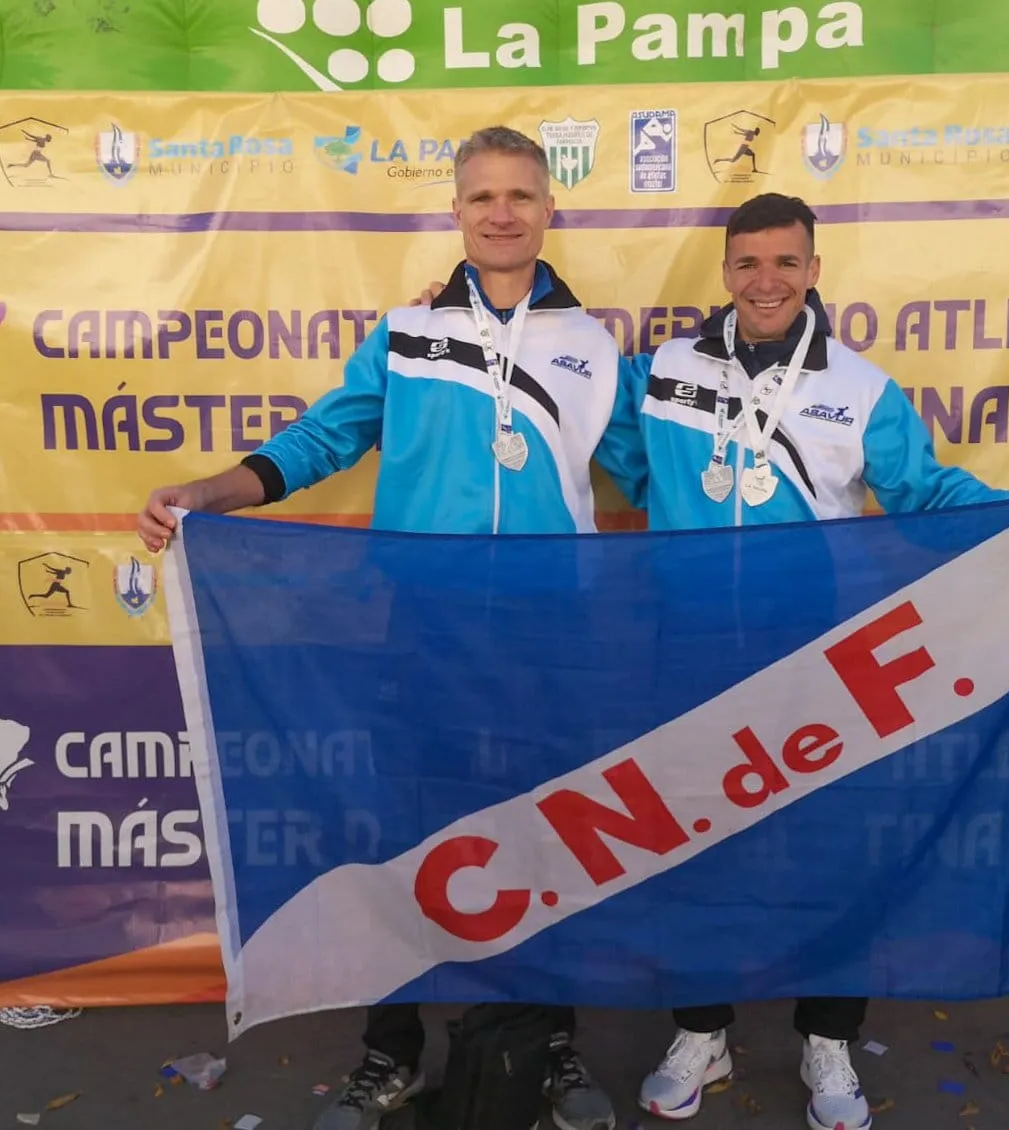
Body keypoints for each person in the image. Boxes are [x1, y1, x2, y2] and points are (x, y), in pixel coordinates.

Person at [413, 191, 1009, 1130]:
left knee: (831, 854)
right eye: (749, 262)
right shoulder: (663, 370)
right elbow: (580, 417)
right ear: (726, 271)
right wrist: (459, 321)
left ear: (814, 270)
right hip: (686, 658)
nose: (766, 281)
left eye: (785, 262)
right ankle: (702, 1031)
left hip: (820, 664)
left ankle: (829, 1040)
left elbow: (929, 493)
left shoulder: (860, 389)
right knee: (690, 850)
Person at [137, 126, 640, 1130]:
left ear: (550, 208)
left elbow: (655, 470)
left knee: (547, 841)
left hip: (548, 633)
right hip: (422, 629)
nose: (502, 213)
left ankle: (544, 1045)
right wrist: (207, 492)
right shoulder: (406, 337)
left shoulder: (596, 346)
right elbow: (324, 438)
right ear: (456, 211)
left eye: (520, 195)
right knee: (403, 840)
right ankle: (389, 1052)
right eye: (482, 196)